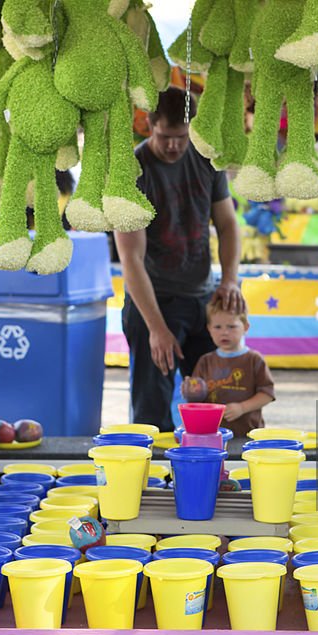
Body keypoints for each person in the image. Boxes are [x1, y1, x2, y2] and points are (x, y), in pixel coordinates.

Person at [114, 87, 243, 431]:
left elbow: (228, 225)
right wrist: (157, 328)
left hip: (202, 298)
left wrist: (229, 278)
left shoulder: (206, 160)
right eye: (166, 136)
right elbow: (131, 259)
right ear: (149, 124)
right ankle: (152, 480)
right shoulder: (132, 170)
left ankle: (216, 476)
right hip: (151, 303)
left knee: (218, 403)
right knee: (152, 415)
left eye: (182, 137)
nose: (173, 145)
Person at [181, 299, 275, 437]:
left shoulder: (254, 359)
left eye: (231, 326)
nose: (224, 332)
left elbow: (267, 394)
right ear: (209, 329)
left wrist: (242, 408)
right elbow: (198, 398)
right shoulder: (205, 361)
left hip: (247, 434)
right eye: (217, 327)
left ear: (245, 327)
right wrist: (190, 391)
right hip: (213, 433)